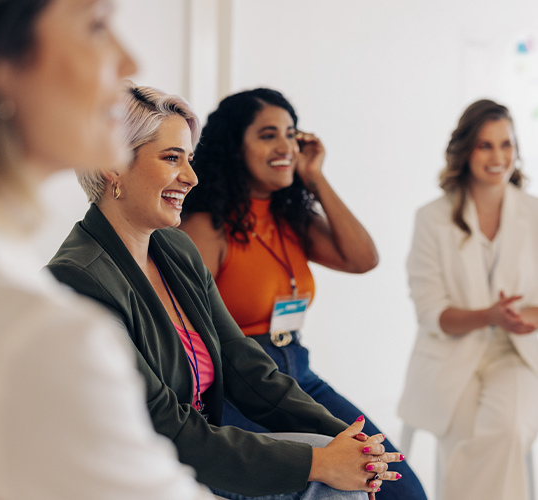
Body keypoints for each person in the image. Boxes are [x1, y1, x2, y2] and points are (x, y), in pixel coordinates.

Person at [48, 81, 404, 500]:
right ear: (113, 165)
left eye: (190, 159)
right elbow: (163, 424)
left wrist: (348, 440)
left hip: (195, 453)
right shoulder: (79, 278)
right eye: (171, 158)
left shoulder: (174, 248)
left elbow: (244, 365)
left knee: (351, 475)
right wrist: (320, 462)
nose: (191, 177)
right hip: (142, 472)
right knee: (330, 487)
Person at [0, 0, 220, 498]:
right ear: (1, 58)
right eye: (96, 25)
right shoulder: (48, 325)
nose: (128, 62)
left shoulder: (176, 251)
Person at [179, 88, 426, 500]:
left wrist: (315, 177)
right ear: (234, 148)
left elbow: (363, 258)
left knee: (400, 489)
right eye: (268, 135)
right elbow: (182, 330)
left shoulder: (290, 218)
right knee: (335, 487)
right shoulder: (207, 228)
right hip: (241, 385)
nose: (285, 146)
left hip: (298, 373)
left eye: (291, 134)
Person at [398, 99, 538, 500]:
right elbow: (431, 313)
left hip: (518, 353)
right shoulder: (432, 217)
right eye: (485, 145)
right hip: (450, 354)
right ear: (465, 151)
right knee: (471, 436)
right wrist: (489, 315)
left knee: (508, 430)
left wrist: (518, 316)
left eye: (506, 145)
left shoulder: (535, 213)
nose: (498, 157)